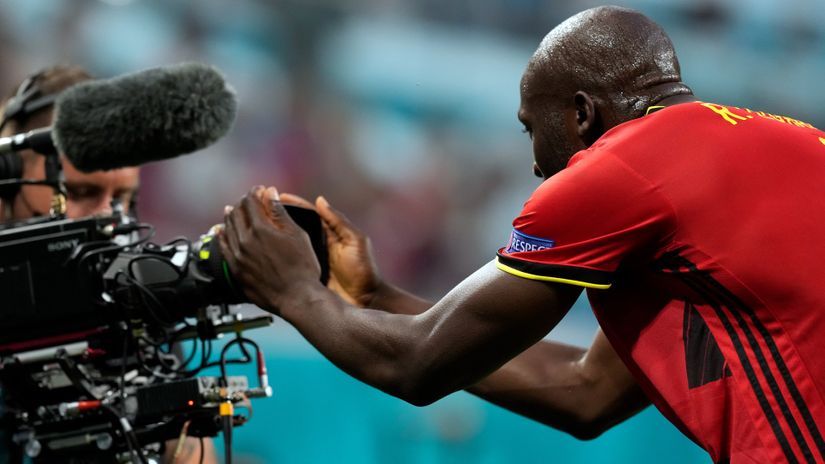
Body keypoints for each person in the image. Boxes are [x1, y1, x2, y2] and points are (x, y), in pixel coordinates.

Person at [221, 6, 825, 464]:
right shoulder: (788, 144)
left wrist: (292, 290)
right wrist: (378, 297)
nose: (536, 166)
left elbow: (417, 366)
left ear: (582, 114)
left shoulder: (619, 169)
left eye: (531, 129)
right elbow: (588, 392)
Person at [0, 66, 214, 464]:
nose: (108, 219)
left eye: (124, 200)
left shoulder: (139, 310)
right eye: (80, 192)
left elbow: (195, 454)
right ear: (7, 186)